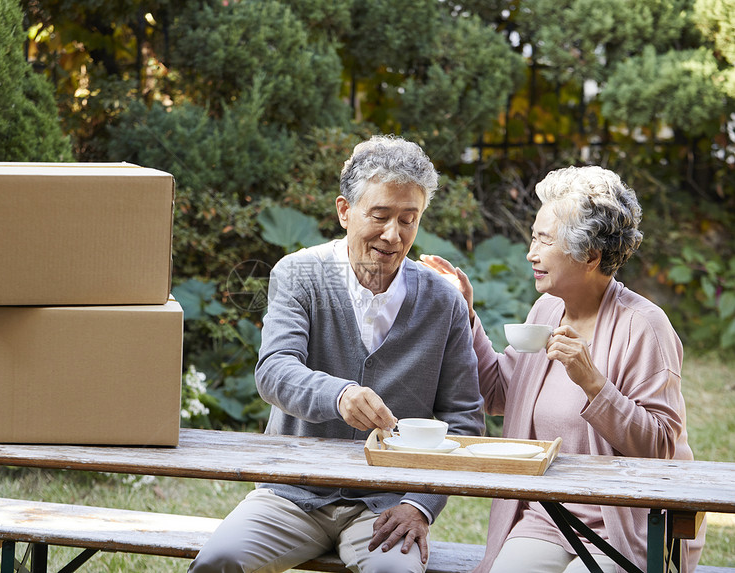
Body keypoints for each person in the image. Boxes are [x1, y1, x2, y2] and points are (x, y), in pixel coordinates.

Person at [189, 135, 484, 573]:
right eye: (380, 215)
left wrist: (419, 505)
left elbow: (464, 419)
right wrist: (340, 395)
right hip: (292, 493)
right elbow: (274, 370)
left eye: (409, 219)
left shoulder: (444, 300)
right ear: (345, 211)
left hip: (386, 504)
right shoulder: (299, 274)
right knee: (219, 560)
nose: (393, 234)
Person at [422, 165, 705, 573]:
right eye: (533, 237)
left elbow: (659, 447)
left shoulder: (644, 326)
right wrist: (465, 313)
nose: (530, 252)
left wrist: (593, 383)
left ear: (590, 256)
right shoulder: (548, 310)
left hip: (626, 521)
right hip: (548, 516)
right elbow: (500, 394)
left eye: (544, 240)